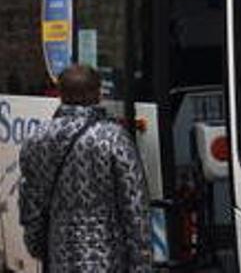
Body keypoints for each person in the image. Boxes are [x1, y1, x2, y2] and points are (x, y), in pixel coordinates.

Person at [18, 64, 151, 272]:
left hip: (59, 256)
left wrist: (38, 246)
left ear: (60, 94)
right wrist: (141, 263)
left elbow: (30, 203)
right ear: (98, 93)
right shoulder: (113, 138)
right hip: (109, 259)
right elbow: (134, 206)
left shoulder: (36, 139)